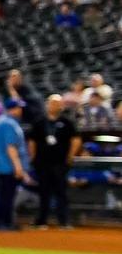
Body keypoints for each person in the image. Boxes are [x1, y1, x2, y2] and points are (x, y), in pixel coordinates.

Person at [30, 93, 82, 229]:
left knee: (61, 193)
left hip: (60, 163)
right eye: (52, 103)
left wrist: (70, 156)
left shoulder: (67, 121)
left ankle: (64, 221)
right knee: (43, 193)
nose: (54, 106)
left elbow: (76, 139)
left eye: (57, 103)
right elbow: (32, 141)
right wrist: (33, 157)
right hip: (42, 163)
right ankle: (41, 221)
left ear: (61, 106)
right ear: (47, 104)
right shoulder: (40, 122)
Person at [0, 96, 31, 231]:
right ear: (14, 109)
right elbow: (11, 148)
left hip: (1, 166)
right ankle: (5, 223)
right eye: (19, 108)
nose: (21, 110)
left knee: (2, 196)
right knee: (7, 196)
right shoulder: (9, 124)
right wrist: (18, 167)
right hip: (9, 167)